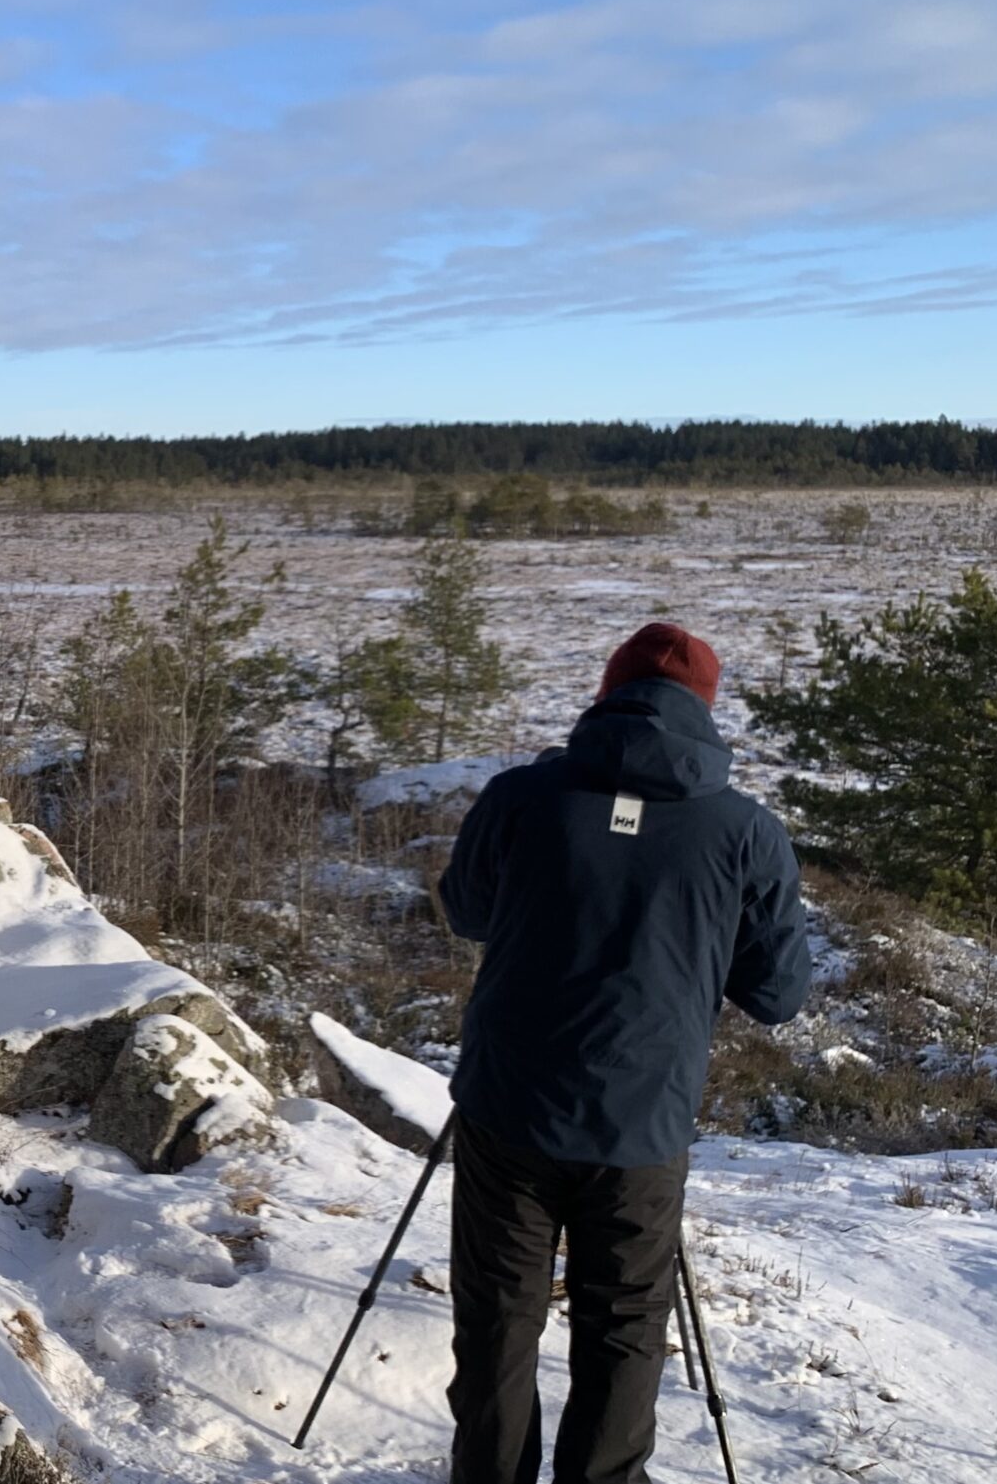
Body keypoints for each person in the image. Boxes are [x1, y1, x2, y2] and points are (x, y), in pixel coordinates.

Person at [438, 622, 811, 1484]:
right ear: (705, 712)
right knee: (625, 1325)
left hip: (508, 1106)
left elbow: (466, 909)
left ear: (607, 695)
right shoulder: (745, 833)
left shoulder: (520, 796)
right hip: (644, 1120)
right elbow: (779, 994)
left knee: (497, 1317)